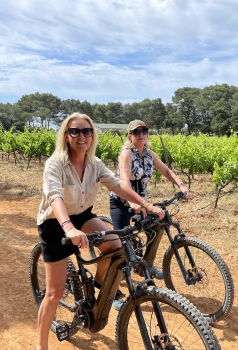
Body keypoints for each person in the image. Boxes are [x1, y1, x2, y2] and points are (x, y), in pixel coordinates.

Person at [35, 113, 164, 350]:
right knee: (54, 293)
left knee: (115, 245)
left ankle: (96, 285)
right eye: (75, 131)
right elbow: (55, 197)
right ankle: (41, 345)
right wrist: (68, 227)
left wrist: (147, 205)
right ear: (66, 135)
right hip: (56, 223)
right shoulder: (55, 163)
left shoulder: (94, 164)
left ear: (92, 136)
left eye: (86, 131)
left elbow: (117, 186)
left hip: (82, 216)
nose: (81, 136)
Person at [109, 119, 191, 298]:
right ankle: (113, 291)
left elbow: (166, 171)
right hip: (123, 202)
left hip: (142, 203)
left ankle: (147, 263)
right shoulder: (126, 153)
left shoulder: (149, 154)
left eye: (144, 131)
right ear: (130, 135)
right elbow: (124, 180)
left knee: (159, 224)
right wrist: (133, 202)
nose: (141, 135)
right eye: (136, 132)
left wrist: (181, 185)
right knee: (120, 245)